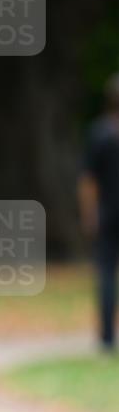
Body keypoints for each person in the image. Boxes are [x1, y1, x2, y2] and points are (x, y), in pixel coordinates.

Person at [78, 73, 119, 351]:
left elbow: (88, 181)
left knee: (106, 274)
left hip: (107, 214)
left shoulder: (100, 133)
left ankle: (106, 339)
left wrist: (89, 214)